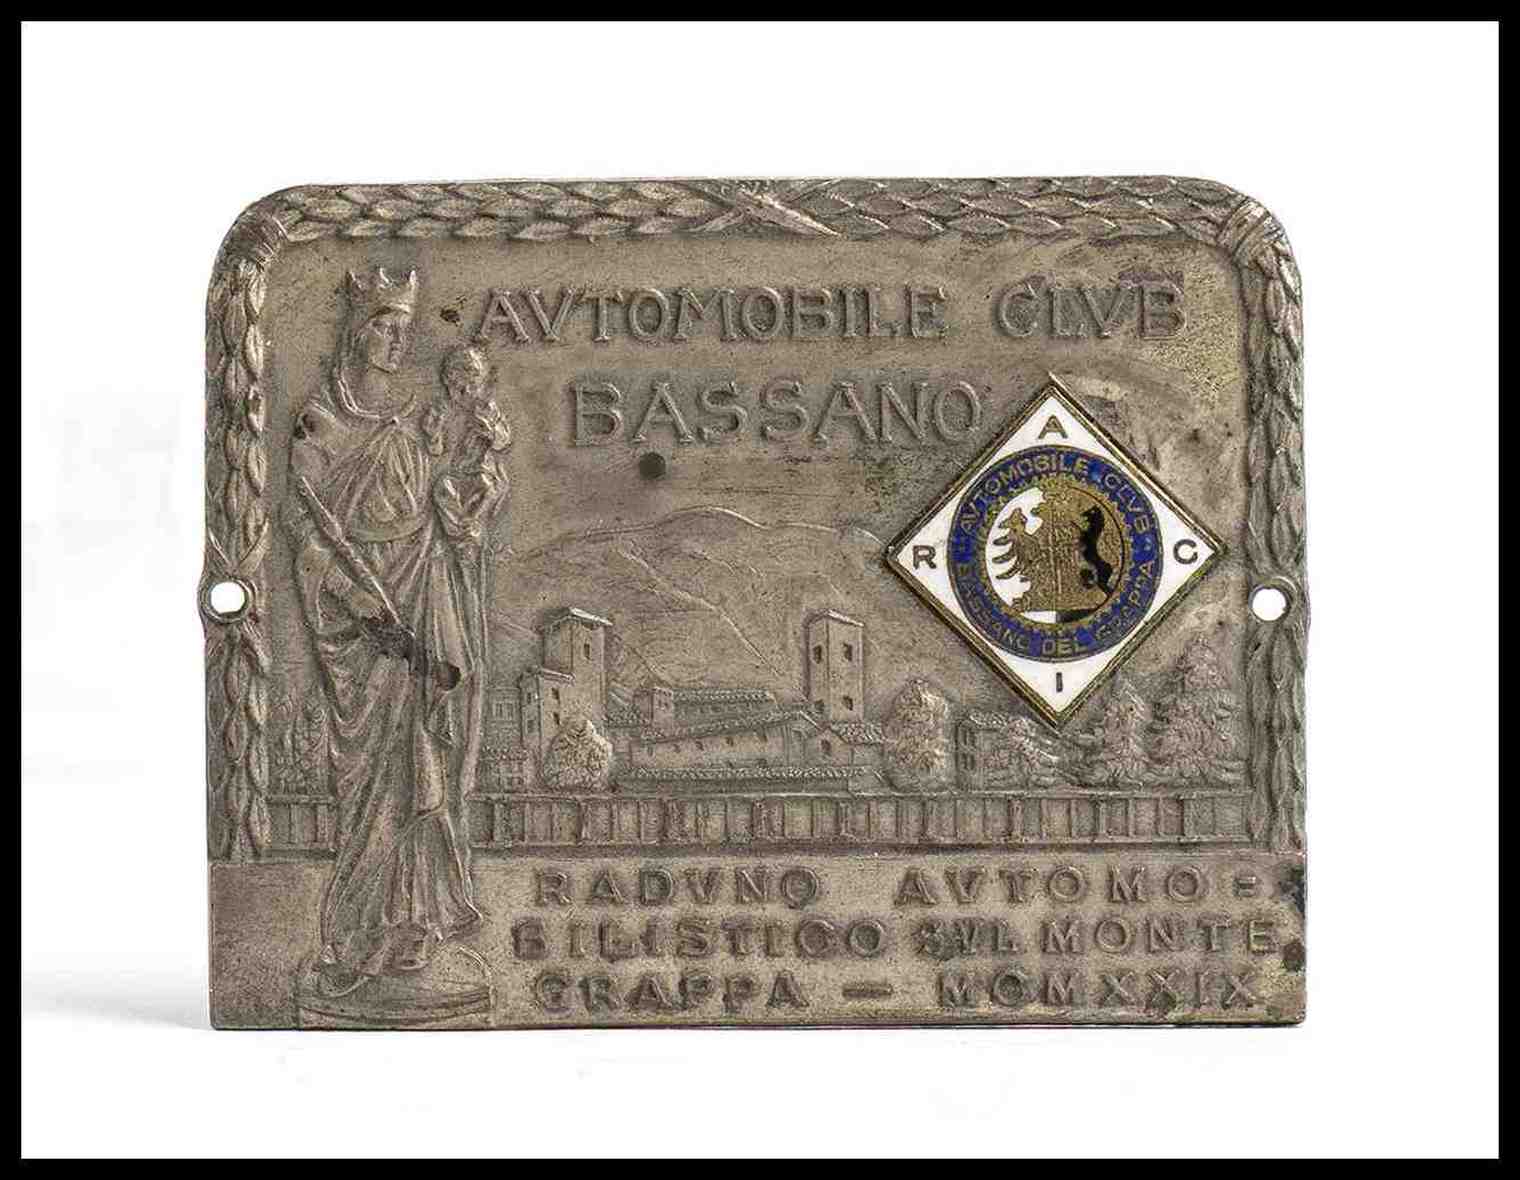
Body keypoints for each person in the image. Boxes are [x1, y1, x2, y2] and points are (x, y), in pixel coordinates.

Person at [284, 268, 507, 999]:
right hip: (366, 625)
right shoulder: (319, 423)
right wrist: (357, 599)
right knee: (371, 781)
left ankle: (413, 930)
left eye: (405, 329)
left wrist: (484, 473)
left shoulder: (415, 420)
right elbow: (304, 532)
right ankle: (353, 941)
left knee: (423, 765)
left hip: (422, 597)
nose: (396, 340)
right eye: (383, 325)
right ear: (355, 330)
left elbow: (446, 516)